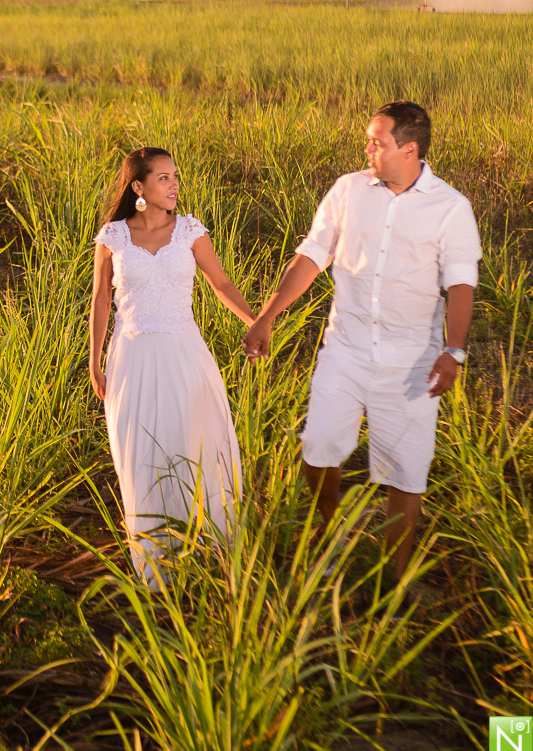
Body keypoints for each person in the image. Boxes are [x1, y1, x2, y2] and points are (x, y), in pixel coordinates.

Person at [242, 101, 481, 578]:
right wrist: (267, 316)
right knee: (318, 447)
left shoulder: (451, 207)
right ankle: (326, 534)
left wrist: (453, 350)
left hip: (410, 363)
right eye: (369, 139)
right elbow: (312, 256)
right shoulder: (347, 190)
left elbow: (460, 285)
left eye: (378, 141)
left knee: (405, 474)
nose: (367, 148)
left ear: (409, 150)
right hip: (345, 349)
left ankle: (393, 587)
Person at [89, 147, 256, 587]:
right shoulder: (113, 237)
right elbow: (101, 299)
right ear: (138, 187)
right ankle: (157, 565)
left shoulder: (191, 232)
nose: (174, 184)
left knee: (194, 444)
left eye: (175, 176)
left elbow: (221, 284)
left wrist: (256, 323)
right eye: (163, 178)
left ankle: (211, 552)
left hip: (184, 355)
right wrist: (93, 359)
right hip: (132, 358)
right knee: (142, 453)